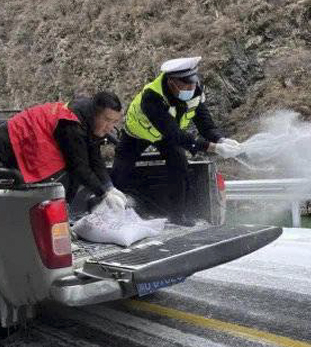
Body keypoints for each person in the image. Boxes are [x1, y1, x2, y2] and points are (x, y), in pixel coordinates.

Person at [111, 56, 241, 226]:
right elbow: (174, 134)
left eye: (193, 82)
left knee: (179, 164)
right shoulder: (152, 97)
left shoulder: (195, 91)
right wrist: (213, 148)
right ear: (171, 82)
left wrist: (221, 139)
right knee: (121, 170)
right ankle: (113, 213)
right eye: (185, 84)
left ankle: (178, 215)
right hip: (138, 134)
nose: (191, 87)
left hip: (168, 135)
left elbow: (205, 124)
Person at [0, 92, 127, 210]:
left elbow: (94, 156)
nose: (110, 127)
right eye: (107, 120)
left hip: (32, 137)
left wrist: (109, 186)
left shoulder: (90, 118)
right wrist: (103, 193)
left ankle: (63, 211)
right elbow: (79, 167)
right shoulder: (72, 126)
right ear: (95, 113)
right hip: (14, 140)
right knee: (54, 178)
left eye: (114, 122)